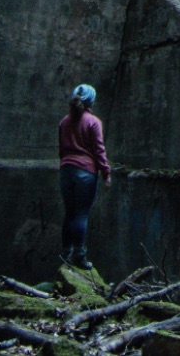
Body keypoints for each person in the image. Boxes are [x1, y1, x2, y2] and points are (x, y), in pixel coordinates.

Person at [57, 83, 111, 269]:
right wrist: (106, 173)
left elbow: (61, 149)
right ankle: (79, 256)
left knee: (69, 214)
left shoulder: (64, 121)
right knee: (81, 214)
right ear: (92, 101)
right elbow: (99, 149)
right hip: (86, 172)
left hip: (66, 170)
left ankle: (66, 253)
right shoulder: (93, 122)